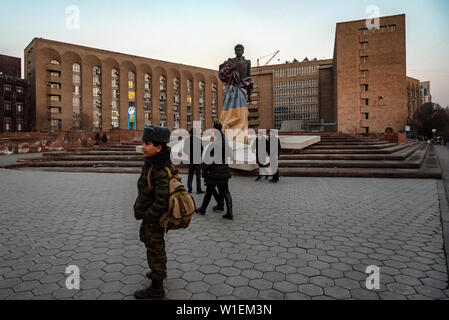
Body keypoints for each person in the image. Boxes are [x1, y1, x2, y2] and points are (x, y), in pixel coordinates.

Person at [133, 125, 172, 300]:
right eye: (143, 143)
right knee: (149, 242)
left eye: (147, 143)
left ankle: (157, 288)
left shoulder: (160, 169)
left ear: (158, 147)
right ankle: (157, 271)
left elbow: (162, 199)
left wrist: (149, 216)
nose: (143, 146)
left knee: (155, 249)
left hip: (154, 217)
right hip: (149, 215)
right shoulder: (152, 162)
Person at [196, 122, 233, 220]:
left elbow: (214, 159)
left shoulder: (217, 142)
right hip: (224, 169)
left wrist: (206, 167)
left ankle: (203, 209)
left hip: (215, 172)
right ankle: (228, 212)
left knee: (209, 189)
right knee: (225, 191)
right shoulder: (224, 140)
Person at [183, 128, 204, 194]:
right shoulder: (198, 140)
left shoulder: (187, 140)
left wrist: (190, 154)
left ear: (190, 133)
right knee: (198, 175)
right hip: (197, 160)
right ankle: (198, 189)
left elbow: (184, 150)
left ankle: (189, 189)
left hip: (191, 160)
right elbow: (201, 149)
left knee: (190, 175)